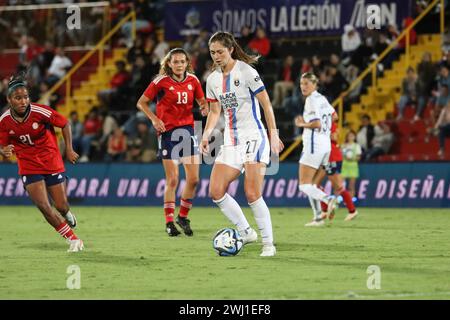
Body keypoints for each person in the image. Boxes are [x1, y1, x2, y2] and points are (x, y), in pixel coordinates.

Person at [200, 31, 284, 257]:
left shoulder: (247, 71)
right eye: (212, 52)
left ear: (231, 49)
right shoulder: (212, 80)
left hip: (254, 137)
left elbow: (266, 104)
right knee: (216, 191)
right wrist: (207, 135)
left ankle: (268, 244)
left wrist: (273, 135)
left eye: (220, 51)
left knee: (252, 193)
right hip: (231, 141)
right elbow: (215, 111)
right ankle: (246, 232)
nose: (216, 56)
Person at [0, 75, 83, 252]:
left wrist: (68, 149)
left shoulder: (40, 111)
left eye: (25, 97)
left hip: (51, 160)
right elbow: (3, 143)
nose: (23, 101)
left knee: (61, 205)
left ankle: (66, 213)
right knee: (44, 206)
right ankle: (73, 239)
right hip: (28, 165)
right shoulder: (5, 121)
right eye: (18, 98)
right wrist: (3, 150)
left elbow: (65, 123)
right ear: (9, 100)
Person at [136, 48, 208, 237]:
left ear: (187, 63)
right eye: (175, 62)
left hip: (187, 132)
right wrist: (153, 119)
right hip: (167, 133)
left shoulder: (193, 80)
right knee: (173, 179)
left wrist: (204, 108)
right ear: (169, 63)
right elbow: (141, 102)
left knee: (193, 179)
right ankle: (169, 222)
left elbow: (202, 101)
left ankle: (182, 216)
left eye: (182, 62)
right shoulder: (161, 81)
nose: (179, 65)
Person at [294, 72, 339, 226]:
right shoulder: (322, 99)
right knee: (311, 184)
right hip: (325, 145)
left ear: (314, 84)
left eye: (306, 83)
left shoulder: (311, 100)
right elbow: (335, 116)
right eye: (301, 83)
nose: (303, 86)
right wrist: (331, 132)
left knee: (304, 185)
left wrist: (302, 125)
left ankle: (329, 199)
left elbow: (317, 123)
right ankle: (318, 216)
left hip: (314, 145)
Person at [305, 122, 359, 227]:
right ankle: (327, 210)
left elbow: (334, 137)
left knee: (329, 185)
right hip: (328, 156)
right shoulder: (324, 122)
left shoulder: (328, 123)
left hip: (331, 156)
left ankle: (350, 210)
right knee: (317, 184)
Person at [341, 130, 362, 199]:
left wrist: (352, 159)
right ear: (347, 137)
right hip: (344, 165)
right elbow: (340, 155)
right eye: (349, 136)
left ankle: (351, 200)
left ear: (354, 137)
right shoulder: (343, 146)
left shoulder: (357, 146)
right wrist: (344, 157)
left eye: (352, 136)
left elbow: (358, 157)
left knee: (351, 185)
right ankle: (340, 199)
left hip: (353, 166)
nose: (350, 137)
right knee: (340, 184)